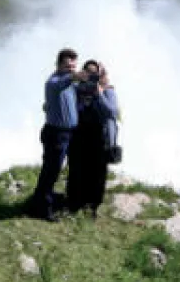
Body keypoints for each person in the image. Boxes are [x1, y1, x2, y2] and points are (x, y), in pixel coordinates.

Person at [28, 48, 84, 222]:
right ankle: (42, 208)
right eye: (68, 66)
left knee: (59, 170)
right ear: (58, 65)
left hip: (68, 133)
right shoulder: (53, 82)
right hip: (56, 134)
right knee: (51, 172)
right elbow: (68, 80)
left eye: (74, 66)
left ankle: (48, 199)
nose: (71, 69)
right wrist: (77, 75)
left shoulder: (69, 84)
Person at [67, 60, 120, 215]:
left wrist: (99, 95)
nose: (91, 74)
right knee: (77, 170)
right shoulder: (76, 89)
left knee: (97, 173)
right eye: (88, 71)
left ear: (100, 74)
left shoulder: (107, 91)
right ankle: (74, 203)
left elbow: (111, 112)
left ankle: (92, 206)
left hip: (99, 137)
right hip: (78, 134)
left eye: (94, 72)